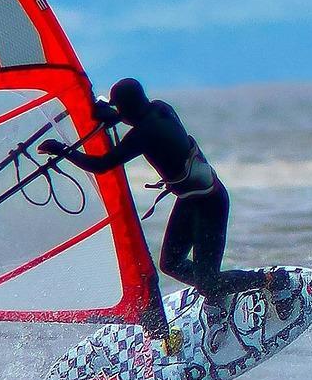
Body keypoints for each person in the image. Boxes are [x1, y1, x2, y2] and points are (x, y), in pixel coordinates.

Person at [37, 78, 293, 350]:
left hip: (210, 204)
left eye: (120, 110)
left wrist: (61, 150)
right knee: (171, 263)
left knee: (208, 280)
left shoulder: (144, 134)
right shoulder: (160, 108)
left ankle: (274, 282)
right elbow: (129, 117)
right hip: (191, 200)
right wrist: (111, 115)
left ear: (128, 108)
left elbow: (102, 165)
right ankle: (217, 294)